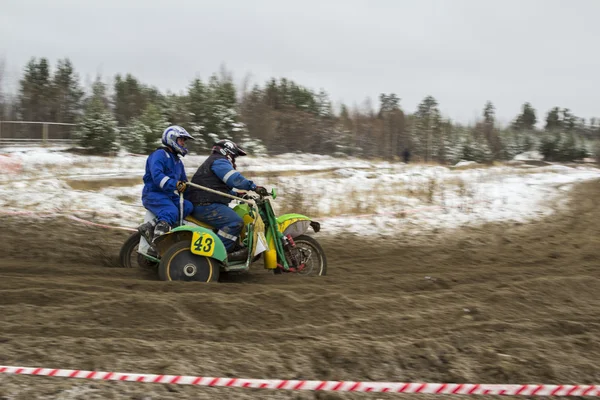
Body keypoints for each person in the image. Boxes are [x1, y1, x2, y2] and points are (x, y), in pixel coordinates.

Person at [185, 139, 269, 261]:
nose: (234, 160)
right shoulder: (219, 161)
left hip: (204, 202)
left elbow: (214, 188)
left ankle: (231, 247)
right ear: (227, 152)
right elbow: (233, 178)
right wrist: (254, 187)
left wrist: (237, 194)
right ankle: (216, 257)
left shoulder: (214, 161)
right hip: (205, 205)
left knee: (235, 217)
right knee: (235, 222)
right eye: (234, 156)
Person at [138, 125, 195, 245]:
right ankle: (157, 245)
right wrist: (176, 185)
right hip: (153, 194)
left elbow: (184, 182)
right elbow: (158, 177)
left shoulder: (178, 162)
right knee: (171, 211)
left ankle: (152, 225)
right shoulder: (160, 154)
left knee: (188, 206)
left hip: (168, 196)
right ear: (172, 139)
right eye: (181, 140)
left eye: (184, 141)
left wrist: (191, 189)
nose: (183, 143)